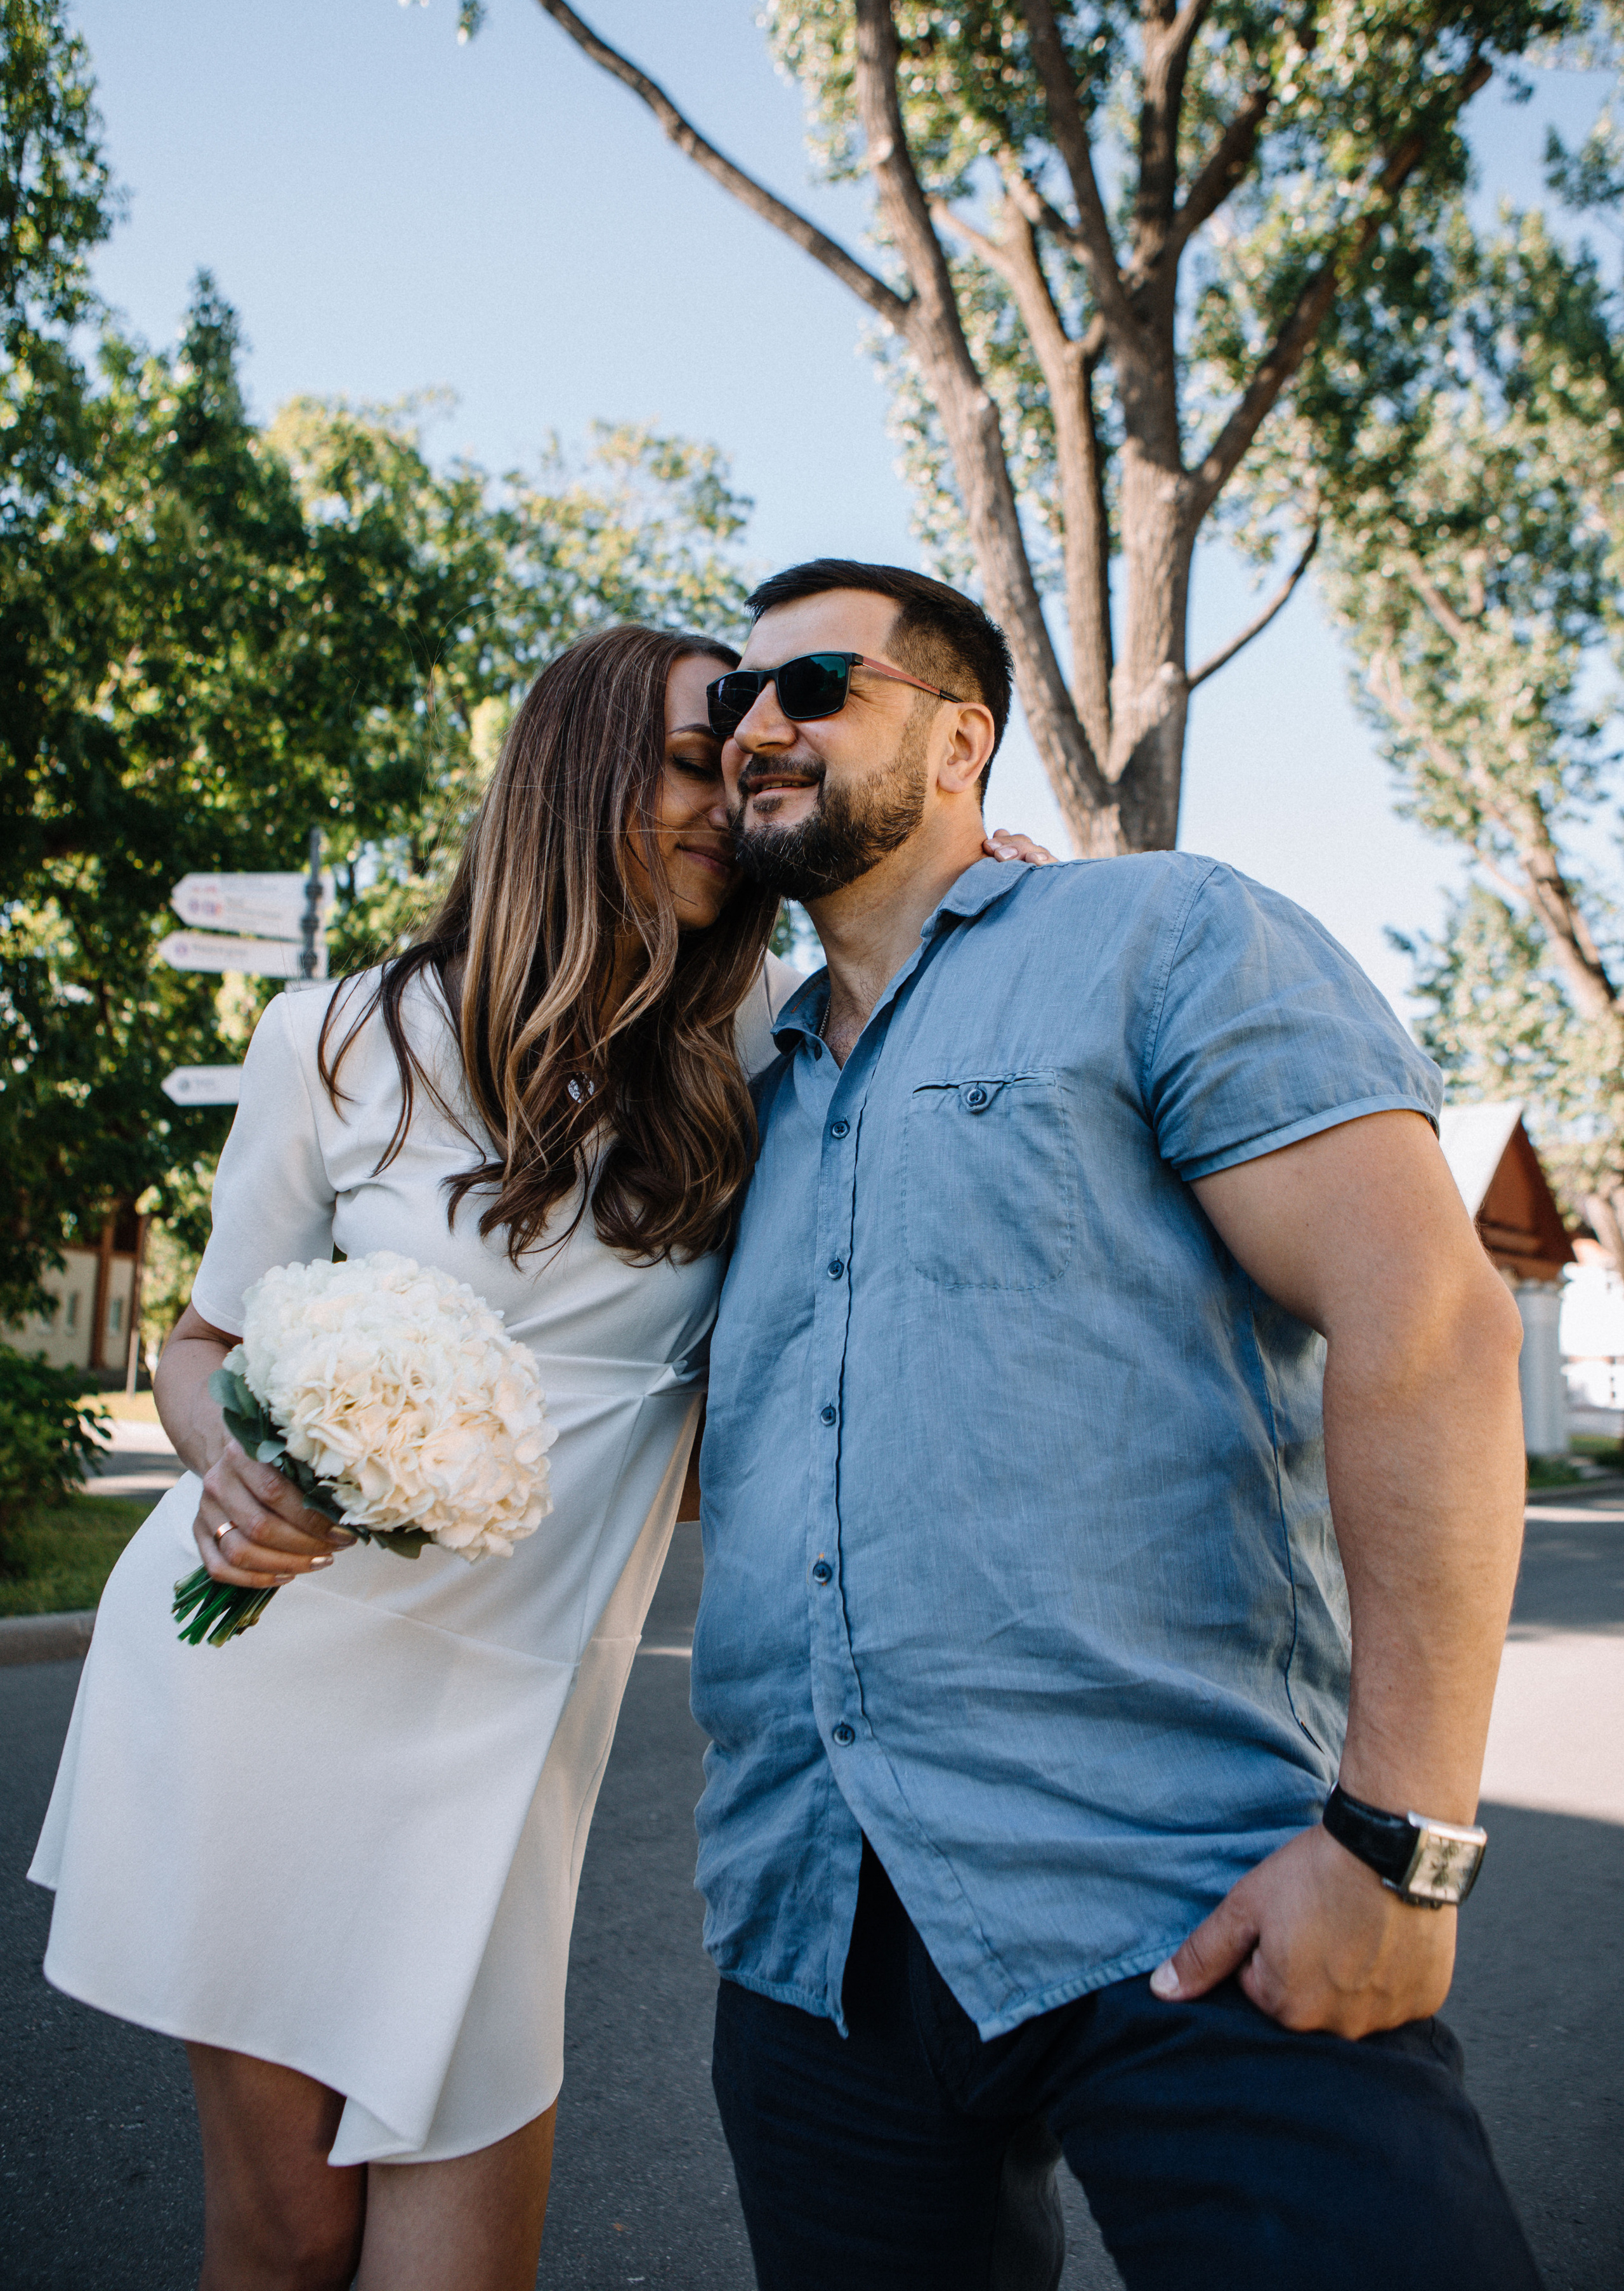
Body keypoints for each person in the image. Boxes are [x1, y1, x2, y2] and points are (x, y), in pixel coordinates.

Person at [688, 560, 1541, 2290]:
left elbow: (1432, 1324)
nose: (756, 726)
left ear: (961, 738)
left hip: (1188, 1897)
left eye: (816, 683)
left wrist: (1397, 1845)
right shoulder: (731, 1092)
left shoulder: (1160, 935)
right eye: (732, 706)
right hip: (808, 1940)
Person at [29, 624, 798, 2291]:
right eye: (688, 762)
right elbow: (201, 1343)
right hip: (260, 1686)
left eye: (744, 784)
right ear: (574, 768)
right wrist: (222, 1467)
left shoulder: (757, 1055)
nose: (723, 816)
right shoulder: (337, 1036)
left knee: (457, 2263)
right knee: (288, 2235)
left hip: (511, 1722)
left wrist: (1008, 886)